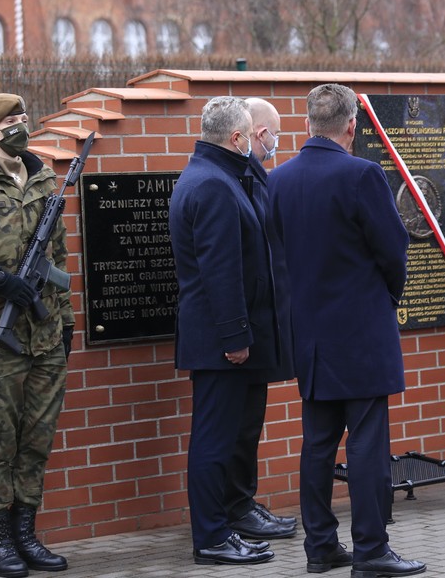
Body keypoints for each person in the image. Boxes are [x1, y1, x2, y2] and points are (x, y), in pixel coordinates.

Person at [269, 84, 426, 577]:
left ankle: (320, 548)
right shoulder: (363, 174)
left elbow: (275, 258)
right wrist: (389, 299)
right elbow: (394, 250)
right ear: (352, 127)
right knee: (365, 442)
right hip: (360, 332)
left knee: (317, 442)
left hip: (308, 333)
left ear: (308, 124)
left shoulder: (278, 181)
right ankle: (371, 550)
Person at [169, 96, 289, 566]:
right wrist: (236, 337)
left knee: (229, 436)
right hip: (220, 342)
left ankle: (225, 524)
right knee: (214, 441)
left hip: (224, 337)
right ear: (237, 138)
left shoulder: (218, 174)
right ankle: (213, 537)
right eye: (253, 134)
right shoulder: (214, 185)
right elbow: (221, 272)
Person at [0, 93, 74, 577]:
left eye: (24, 119)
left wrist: (67, 321)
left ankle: (27, 535)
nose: (21, 126)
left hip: (44, 335)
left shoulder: (44, 176)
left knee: (36, 440)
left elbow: (59, 257)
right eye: (11, 122)